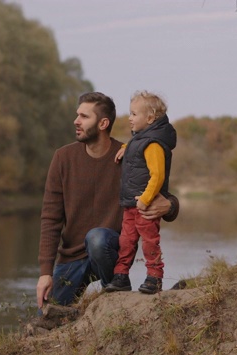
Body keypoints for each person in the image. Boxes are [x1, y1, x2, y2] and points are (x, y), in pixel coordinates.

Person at [36, 91, 179, 308]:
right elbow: (50, 218)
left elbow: (164, 192)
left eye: (84, 117)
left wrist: (169, 206)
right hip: (71, 258)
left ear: (103, 123)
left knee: (97, 238)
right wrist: (45, 273)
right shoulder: (63, 158)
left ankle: (116, 294)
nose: (76, 121)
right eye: (77, 115)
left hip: (110, 250)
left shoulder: (129, 156)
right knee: (49, 314)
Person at [104, 91, 176, 294]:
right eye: (130, 113)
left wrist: (145, 200)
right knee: (125, 241)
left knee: (150, 242)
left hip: (145, 205)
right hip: (130, 204)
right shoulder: (139, 140)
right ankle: (121, 276)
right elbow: (138, 151)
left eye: (134, 114)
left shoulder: (153, 145)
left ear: (150, 118)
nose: (129, 118)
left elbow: (158, 176)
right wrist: (128, 147)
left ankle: (154, 277)